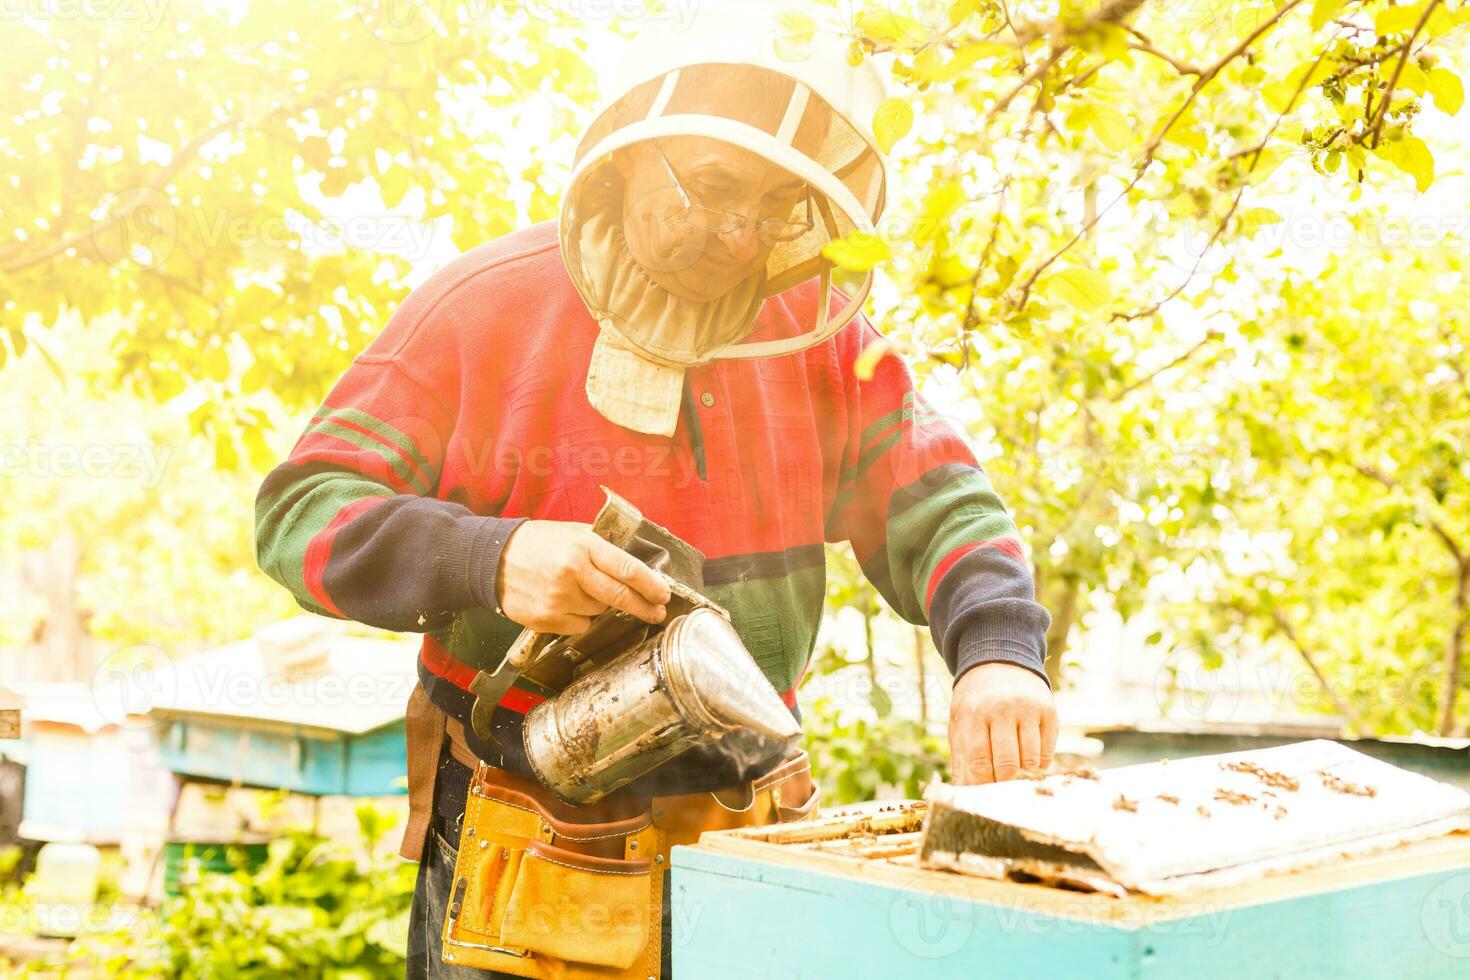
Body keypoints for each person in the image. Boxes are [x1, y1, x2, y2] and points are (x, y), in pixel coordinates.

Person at [254, 7, 1056, 978]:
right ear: (631, 151)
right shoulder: (483, 309)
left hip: (748, 813)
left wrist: (999, 652)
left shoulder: (816, 333)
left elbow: (937, 496)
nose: (737, 231)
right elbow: (302, 511)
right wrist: (491, 556)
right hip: (517, 815)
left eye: (774, 207)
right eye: (713, 187)